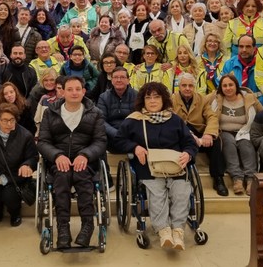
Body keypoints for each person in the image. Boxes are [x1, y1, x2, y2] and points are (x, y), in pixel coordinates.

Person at [115, 82, 198, 250]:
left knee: (181, 192)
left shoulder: (174, 119)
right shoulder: (134, 120)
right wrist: (134, 147)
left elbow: (190, 142)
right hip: (147, 168)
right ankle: (163, 231)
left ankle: (178, 231)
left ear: (163, 99)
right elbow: (118, 140)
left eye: (156, 97)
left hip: (175, 166)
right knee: (157, 193)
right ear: (143, 100)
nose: (152, 101)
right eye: (148, 97)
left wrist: (188, 153)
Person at [37, 76, 107, 248]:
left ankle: (87, 226)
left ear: (84, 91)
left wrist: (85, 155)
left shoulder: (95, 113)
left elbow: (100, 141)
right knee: (62, 177)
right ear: (62, 92)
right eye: (70, 89)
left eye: (78, 89)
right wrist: (57, 156)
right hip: (59, 161)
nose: (74, 93)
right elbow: (43, 142)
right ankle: (63, 228)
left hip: (86, 161)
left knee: (82, 176)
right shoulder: (50, 112)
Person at [172, 73, 227, 196]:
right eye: (184, 85)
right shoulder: (171, 99)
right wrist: (188, 133)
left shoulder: (202, 99)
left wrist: (208, 134)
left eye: (190, 86)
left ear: (194, 87)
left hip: (199, 133)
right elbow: (170, 118)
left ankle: (218, 178)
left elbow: (212, 117)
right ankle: (185, 178)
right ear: (179, 86)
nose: (187, 88)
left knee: (216, 141)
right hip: (181, 134)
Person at [0, 103, 38, 226]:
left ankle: (15, 213)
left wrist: (27, 165)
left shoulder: (25, 136)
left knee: (10, 197)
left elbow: (33, 157)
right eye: (4, 120)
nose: (9, 124)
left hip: (15, 177)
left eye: (12, 120)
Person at [211, 75, 263, 196]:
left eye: (231, 85)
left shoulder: (249, 98)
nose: (228, 88)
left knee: (246, 146)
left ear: (236, 86)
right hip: (224, 131)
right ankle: (237, 178)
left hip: (244, 131)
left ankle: (250, 179)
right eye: (224, 85)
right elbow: (200, 102)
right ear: (221, 88)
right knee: (228, 143)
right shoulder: (216, 98)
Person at [97, 66, 137, 149]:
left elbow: (139, 119)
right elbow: (101, 120)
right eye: (115, 77)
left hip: (131, 133)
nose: (119, 80)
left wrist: (127, 133)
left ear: (128, 80)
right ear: (112, 80)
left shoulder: (137, 96)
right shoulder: (103, 97)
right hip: (111, 135)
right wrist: (116, 134)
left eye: (122, 77)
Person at [221, 35, 263, 106]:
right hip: (234, 105)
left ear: (254, 48)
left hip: (259, 104)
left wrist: (256, 105)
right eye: (241, 46)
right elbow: (220, 86)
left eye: (248, 47)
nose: (244, 50)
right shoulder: (229, 64)